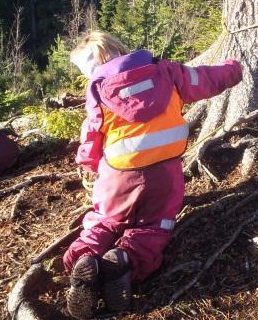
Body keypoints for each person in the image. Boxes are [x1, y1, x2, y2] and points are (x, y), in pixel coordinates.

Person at [62, 31, 242, 319]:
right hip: (165, 172)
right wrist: (234, 68)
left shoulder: (98, 89)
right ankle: (126, 261)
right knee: (154, 225)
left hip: (118, 174)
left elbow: (92, 133)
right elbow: (205, 79)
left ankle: (84, 258)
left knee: (106, 219)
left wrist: (89, 163)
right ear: (120, 49)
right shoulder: (166, 71)